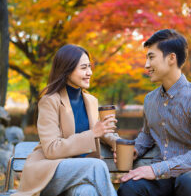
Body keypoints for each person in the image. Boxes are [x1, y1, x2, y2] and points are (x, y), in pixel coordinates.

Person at [117, 29, 191, 196]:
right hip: (165, 176)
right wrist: (135, 150)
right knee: (129, 188)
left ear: (172, 58)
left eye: (151, 57)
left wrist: (156, 169)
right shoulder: (150, 100)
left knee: (186, 183)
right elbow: (147, 134)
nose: (146, 65)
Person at [12, 44, 119, 196]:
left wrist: (117, 144)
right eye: (83, 68)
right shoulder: (49, 101)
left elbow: (98, 130)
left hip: (80, 175)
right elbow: (51, 149)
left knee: (86, 192)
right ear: (67, 70)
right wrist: (93, 133)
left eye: (89, 67)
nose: (89, 73)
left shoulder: (91, 101)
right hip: (51, 173)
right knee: (97, 166)